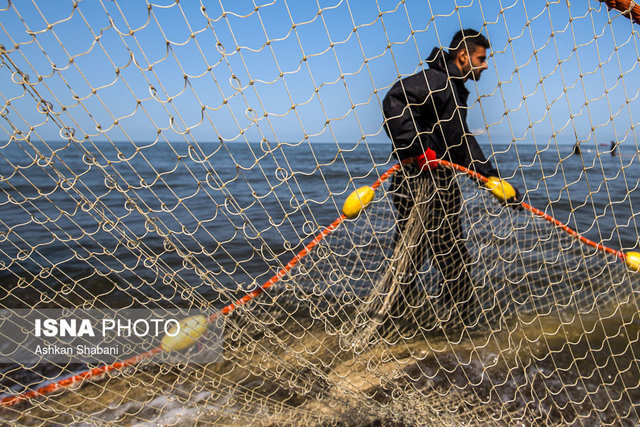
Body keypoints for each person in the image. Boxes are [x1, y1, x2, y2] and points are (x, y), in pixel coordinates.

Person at [367, 29, 520, 335]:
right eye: (481, 58)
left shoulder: (454, 88)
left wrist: (490, 179)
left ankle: (430, 324)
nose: (486, 65)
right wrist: (419, 147)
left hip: (439, 182)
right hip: (417, 181)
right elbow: (395, 100)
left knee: (430, 256)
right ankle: (443, 327)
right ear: (463, 56)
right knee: (427, 257)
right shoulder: (438, 81)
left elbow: (459, 140)